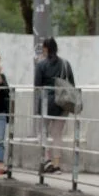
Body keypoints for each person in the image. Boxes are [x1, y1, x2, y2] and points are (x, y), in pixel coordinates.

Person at [34, 37, 75, 174]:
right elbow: (72, 85)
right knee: (57, 134)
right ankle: (57, 165)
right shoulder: (65, 63)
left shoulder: (41, 65)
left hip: (46, 102)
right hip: (62, 104)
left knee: (43, 132)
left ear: (45, 48)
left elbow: (37, 86)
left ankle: (47, 160)